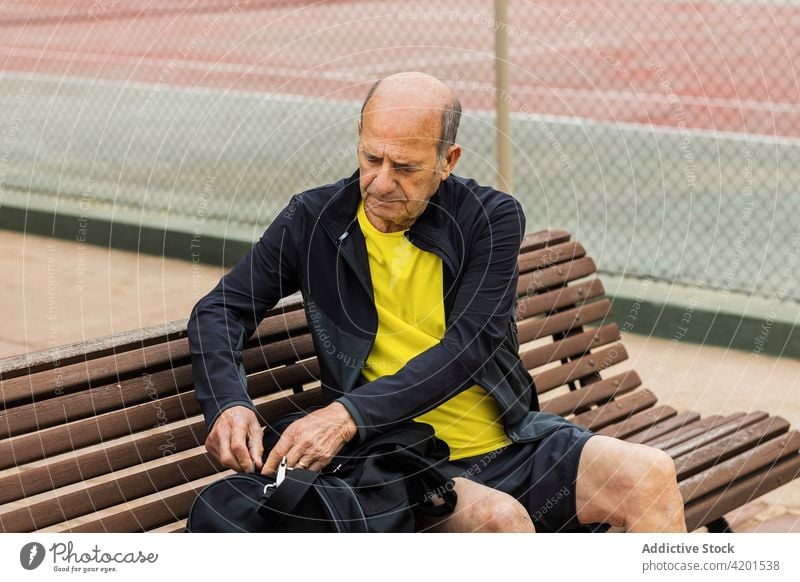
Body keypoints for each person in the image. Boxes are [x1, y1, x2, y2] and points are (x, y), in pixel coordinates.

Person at [187, 72, 687, 533]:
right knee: (500, 521)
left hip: (513, 440)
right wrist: (228, 403)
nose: (381, 183)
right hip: (405, 465)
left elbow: (472, 347)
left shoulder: (488, 218)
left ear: (448, 162)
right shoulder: (313, 219)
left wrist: (346, 414)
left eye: (404, 167)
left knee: (652, 474)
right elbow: (221, 309)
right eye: (371, 159)